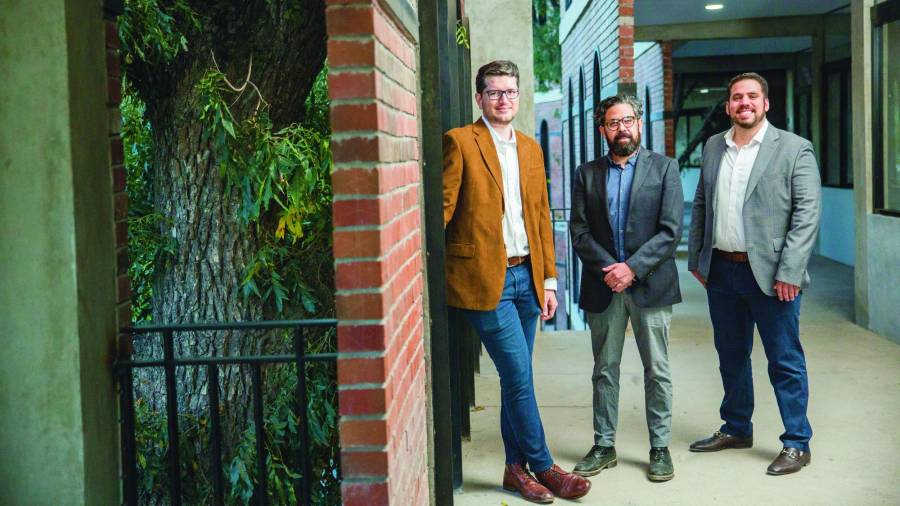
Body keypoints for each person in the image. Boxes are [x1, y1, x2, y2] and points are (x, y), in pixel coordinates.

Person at [443, 60, 591, 503]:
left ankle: (514, 470)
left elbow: (541, 216)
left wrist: (549, 280)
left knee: (516, 378)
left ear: (519, 95)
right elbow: (443, 208)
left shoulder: (530, 148)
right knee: (520, 374)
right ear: (479, 98)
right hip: (482, 280)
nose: (504, 99)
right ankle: (545, 467)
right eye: (494, 92)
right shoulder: (460, 143)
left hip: (527, 276)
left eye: (510, 92)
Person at [687, 72, 821, 475]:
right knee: (731, 355)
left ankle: (797, 442)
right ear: (728, 106)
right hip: (722, 272)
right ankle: (736, 427)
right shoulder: (714, 145)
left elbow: (806, 215)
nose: (743, 103)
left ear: (766, 104)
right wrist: (698, 259)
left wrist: (791, 272)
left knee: (784, 360)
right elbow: (700, 204)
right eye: (736, 97)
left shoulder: (794, 149)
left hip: (773, 276)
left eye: (751, 96)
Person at [569, 94, 683, 482]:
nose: (622, 128)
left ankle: (660, 448)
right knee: (605, 368)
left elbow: (670, 232)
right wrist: (611, 270)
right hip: (604, 286)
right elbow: (580, 232)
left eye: (628, 120)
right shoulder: (586, 173)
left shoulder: (665, 168)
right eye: (614, 123)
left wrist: (631, 269)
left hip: (651, 285)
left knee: (658, 370)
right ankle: (604, 444)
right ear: (603, 129)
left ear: (639, 123)